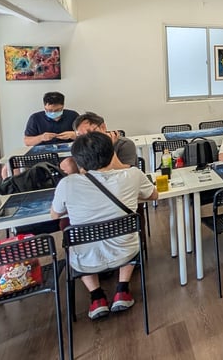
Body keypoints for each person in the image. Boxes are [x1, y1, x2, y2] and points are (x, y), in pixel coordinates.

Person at [50, 132, 158, 320]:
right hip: (126, 252)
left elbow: (55, 214)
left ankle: (96, 297)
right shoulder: (133, 175)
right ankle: (122, 289)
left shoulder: (67, 184)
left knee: (76, 242)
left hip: (86, 260)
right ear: (112, 153)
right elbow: (153, 195)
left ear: (78, 161)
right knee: (127, 235)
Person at [60, 112, 138, 174]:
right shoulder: (82, 147)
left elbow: (125, 173)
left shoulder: (124, 144)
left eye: (90, 132)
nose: (87, 138)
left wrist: (109, 147)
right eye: (81, 135)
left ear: (103, 127)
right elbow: (84, 173)